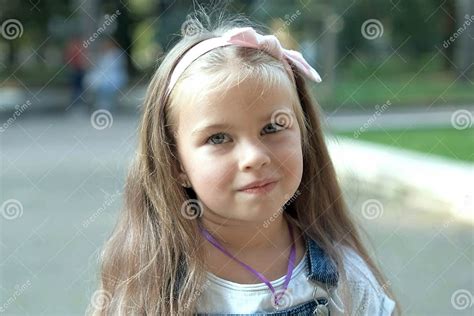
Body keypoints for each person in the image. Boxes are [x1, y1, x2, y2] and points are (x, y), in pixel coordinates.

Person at [87, 13, 400, 316]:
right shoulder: (149, 287)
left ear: (304, 135)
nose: (254, 157)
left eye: (273, 128)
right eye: (219, 138)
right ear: (176, 163)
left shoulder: (347, 284)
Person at [85, 39, 128, 113]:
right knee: (91, 81)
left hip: (114, 76)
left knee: (107, 84)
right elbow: (99, 68)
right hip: (104, 77)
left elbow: (115, 68)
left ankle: (107, 105)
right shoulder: (102, 55)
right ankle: (99, 104)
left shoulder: (117, 54)